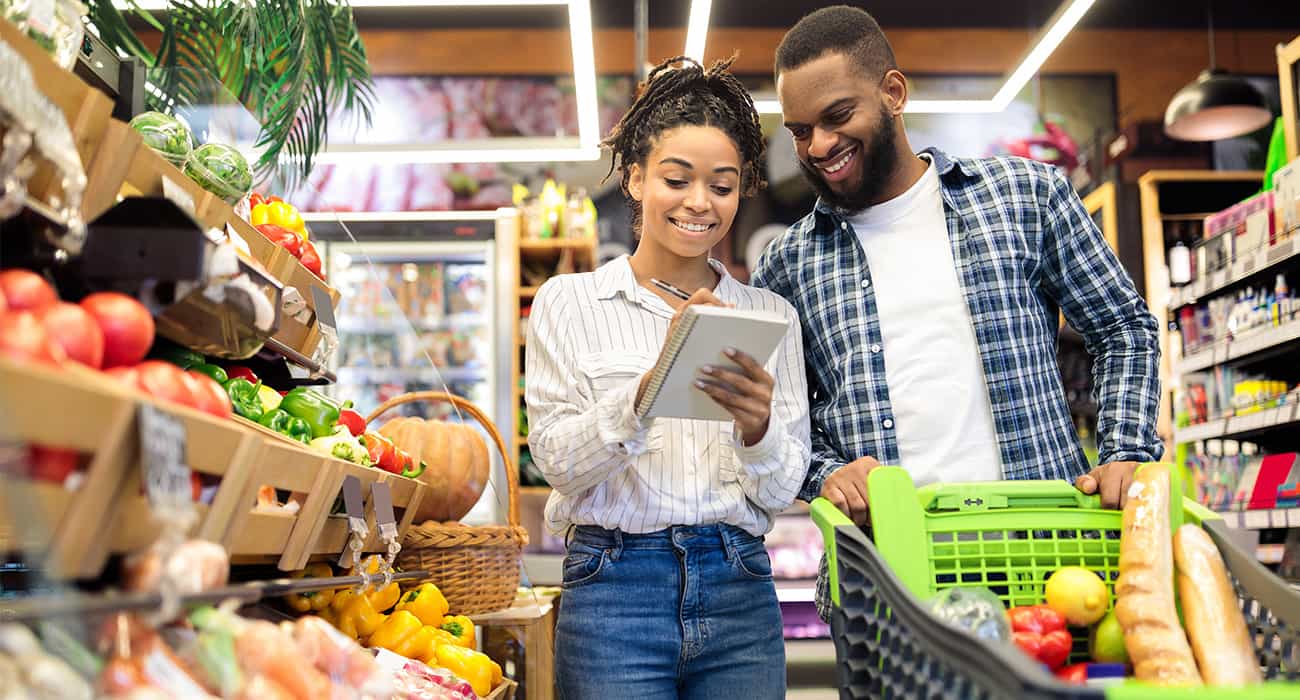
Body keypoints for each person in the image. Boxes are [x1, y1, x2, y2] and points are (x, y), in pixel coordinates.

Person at [750, 6, 1163, 619]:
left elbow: (1122, 326)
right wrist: (827, 475)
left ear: (893, 92)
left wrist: (1125, 448)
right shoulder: (787, 263)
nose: (819, 146)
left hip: (1046, 550)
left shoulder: (1028, 196)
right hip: (884, 573)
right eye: (799, 130)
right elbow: (782, 425)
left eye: (838, 117)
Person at [525, 55, 811, 699]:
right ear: (634, 178)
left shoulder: (770, 317)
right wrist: (651, 386)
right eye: (676, 179)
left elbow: (781, 489)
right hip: (612, 589)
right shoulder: (569, 303)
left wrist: (758, 426)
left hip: (739, 585)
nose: (699, 203)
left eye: (722, 185)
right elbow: (557, 464)